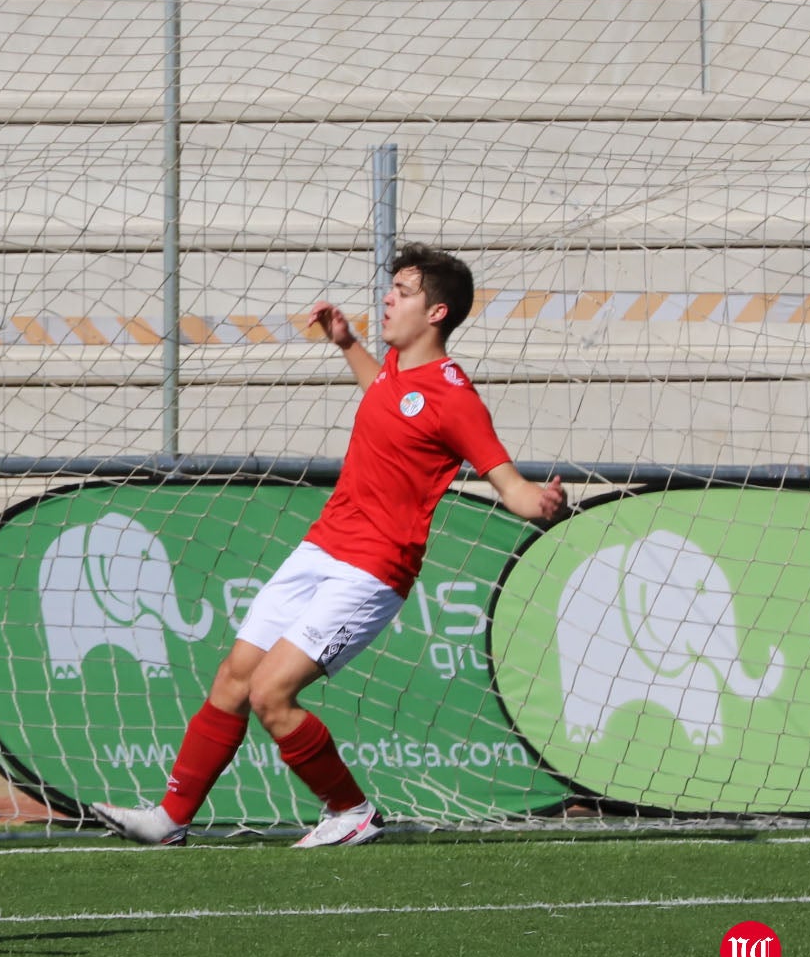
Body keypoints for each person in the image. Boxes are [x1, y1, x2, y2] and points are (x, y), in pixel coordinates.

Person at [92, 244, 565, 849]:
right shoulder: (397, 371)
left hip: (372, 570)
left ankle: (351, 811)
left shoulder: (455, 398)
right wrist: (346, 344)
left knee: (270, 692)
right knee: (235, 678)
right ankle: (170, 818)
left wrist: (542, 503)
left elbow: (510, 486)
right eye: (391, 286)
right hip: (321, 548)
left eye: (404, 290)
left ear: (437, 312)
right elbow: (385, 399)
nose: (388, 298)